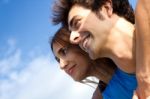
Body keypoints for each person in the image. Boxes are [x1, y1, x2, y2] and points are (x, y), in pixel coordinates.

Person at [51, 0, 150, 98]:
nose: (72, 38)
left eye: (77, 22)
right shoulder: (112, 94)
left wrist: (144, 75)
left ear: (106, 7)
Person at [50, 26, 137, 99]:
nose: (61, 66)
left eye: (64, 51)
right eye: (58, 60)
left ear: (81, 42)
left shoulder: (134, 54)